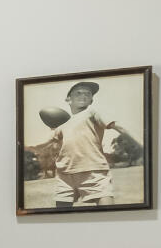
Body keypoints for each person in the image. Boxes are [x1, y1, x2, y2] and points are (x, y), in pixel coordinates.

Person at [41, 79, 132, 209]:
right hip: (65, 172)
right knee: (61, 214)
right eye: (78, 93)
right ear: (68, 99)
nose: (83, 95)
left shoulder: (92, 112)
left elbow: (120, 127)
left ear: (91, 101)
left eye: (88, 94)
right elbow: (45, 142)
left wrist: (142, 144)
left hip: (93, 169)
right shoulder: (62, 123)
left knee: (107, 213)